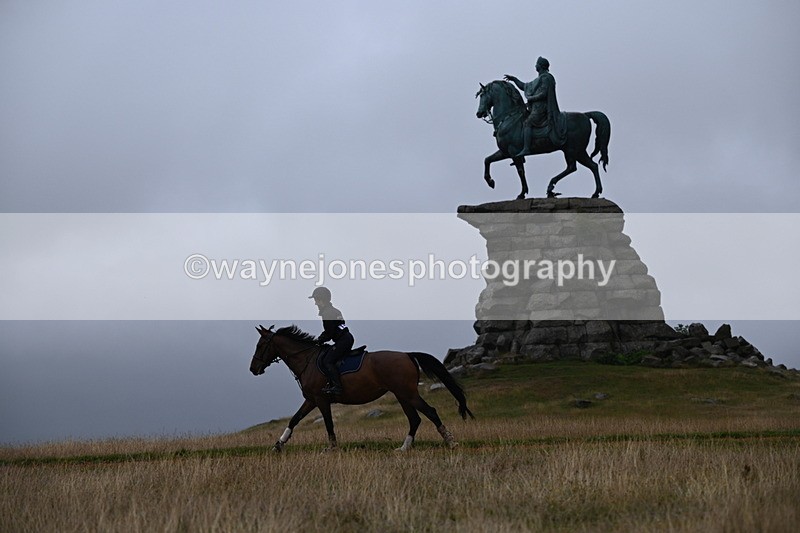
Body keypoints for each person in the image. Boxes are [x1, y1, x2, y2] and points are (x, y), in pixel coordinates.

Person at [504, 56, 567, 157]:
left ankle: (527, 148)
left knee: (527, 123)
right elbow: (524, 86)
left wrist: (531, 98)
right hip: (535, 108)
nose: (535, 66)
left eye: (537, 64)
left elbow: (544, 93)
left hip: (542, 108)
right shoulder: (538, 79)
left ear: (541, 66)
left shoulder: (547, 77)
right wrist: (514, 79)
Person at [309, 286, 353, 396]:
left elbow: (329, 332)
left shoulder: (327, 313)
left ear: (322, 300)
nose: (315, 304)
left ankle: (337, 387)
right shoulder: (335, 310)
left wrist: (319, 340)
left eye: (316, 300)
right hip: (347, 338)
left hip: (342, 341)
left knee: (327, 361)